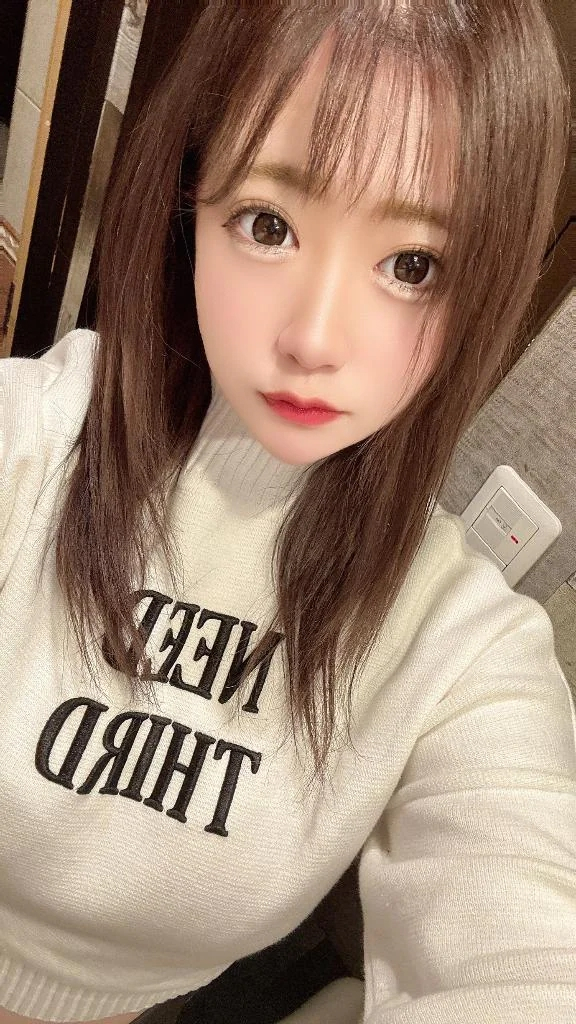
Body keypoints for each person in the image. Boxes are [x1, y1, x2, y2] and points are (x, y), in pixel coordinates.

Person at [0, 2, 575, 1023]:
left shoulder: (459, 644)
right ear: (191, 202)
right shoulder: (34, 437)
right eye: (268, 224)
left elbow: (526, 951)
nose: (314, 337)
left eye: (413, 266)